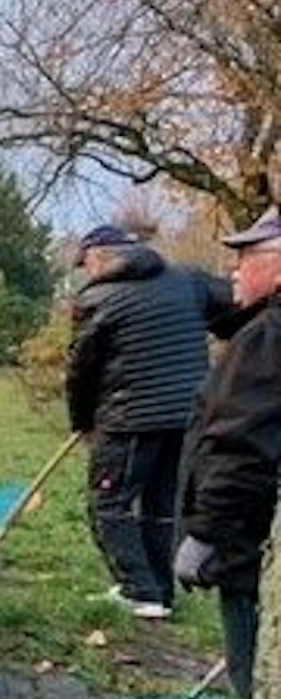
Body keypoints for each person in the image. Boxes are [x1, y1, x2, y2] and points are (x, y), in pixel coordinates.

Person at [174, 204, 281, 699]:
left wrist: (206, 533)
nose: (234, 270)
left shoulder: (269, 338)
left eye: (247, 258)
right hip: (249, 533)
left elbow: (243, 445)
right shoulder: (259, 329)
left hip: (245, 543)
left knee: (255, 676)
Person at [65, 224, 232, 620]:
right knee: (160, 504)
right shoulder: (187, 280)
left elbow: (81, 370)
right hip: (187, 416)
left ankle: (139, 590)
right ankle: (161, 592)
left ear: (101, 257)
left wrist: (82, 422)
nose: (87, 272)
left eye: (86, 263)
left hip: (129, 419)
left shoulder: (97, 298)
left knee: (109, 503)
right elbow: (235, 305)